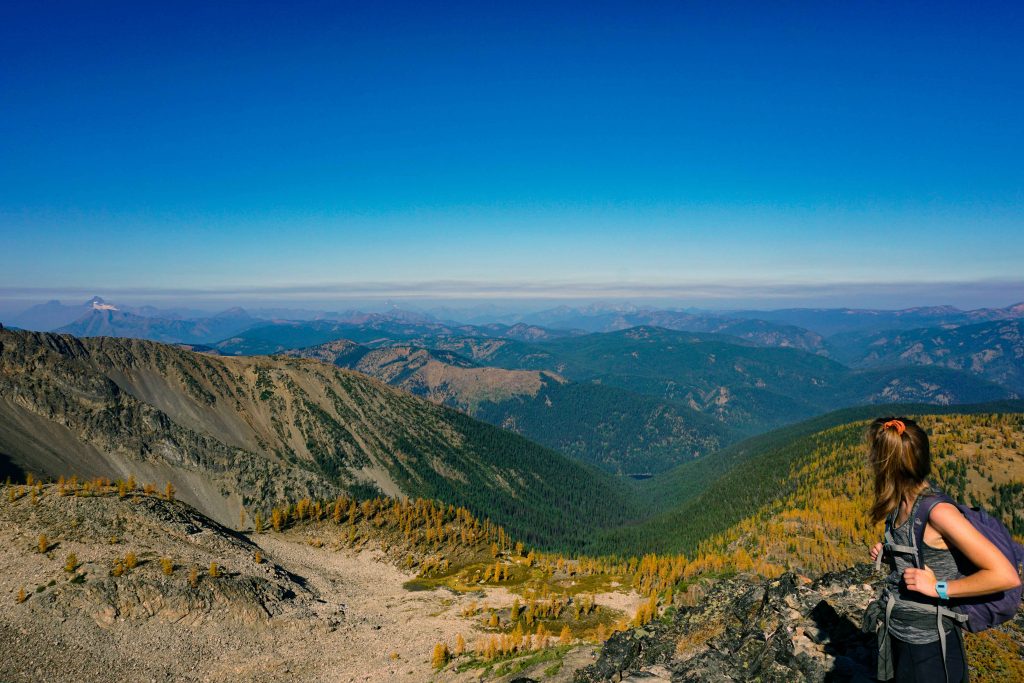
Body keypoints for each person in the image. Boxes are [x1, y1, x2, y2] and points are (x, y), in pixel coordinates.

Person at [865, 416, 1021, 683]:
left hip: (930, 650)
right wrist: (891, 550)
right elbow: (926, 552)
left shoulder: (938, 512)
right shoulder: (902, 504)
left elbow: (1005, 575)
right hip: (905, 636)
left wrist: (939, 588)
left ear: (887, 465)